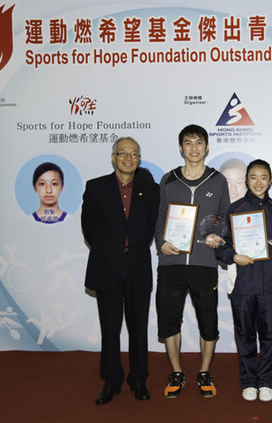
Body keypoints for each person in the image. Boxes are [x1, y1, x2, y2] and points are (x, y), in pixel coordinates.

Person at [81, 137, 160, 405]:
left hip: (138, 265)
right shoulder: (96, 187)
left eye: (134, 153)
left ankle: (139, 380)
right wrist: (111, 249)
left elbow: (151, 227)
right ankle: (111, 381)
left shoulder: (151, 189)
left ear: (139, 158)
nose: (129, 157)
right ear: (113, 157)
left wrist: (131, 248)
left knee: (138, 328)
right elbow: (89, 227)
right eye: (123, 153)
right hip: (107, 266)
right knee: (110, 328)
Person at [155, 124, 230, 399]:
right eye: (188, 143)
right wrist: (161, 243)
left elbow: (224, 217)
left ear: (207, 147)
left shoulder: (218, 180)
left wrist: (217, 234)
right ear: (181, 147)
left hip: (204, 261)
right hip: (171, 262)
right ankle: (176, 371)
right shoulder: (168, 179)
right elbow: (161, 218)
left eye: (199, 142)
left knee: (207, 321)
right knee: (169, 321)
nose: (194, 148)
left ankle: (204, 371)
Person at [215, 159, 272, 402]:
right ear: (247, 180)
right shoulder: (234, 208)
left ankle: (267, 381)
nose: (258, 182)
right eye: (253, 177)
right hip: (243, 283)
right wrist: (234, 256)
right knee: (245, 335)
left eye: (263, 177)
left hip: (271, 284)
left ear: (270, 180)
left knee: (270, 335)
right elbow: (221, 246)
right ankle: (248, 380)